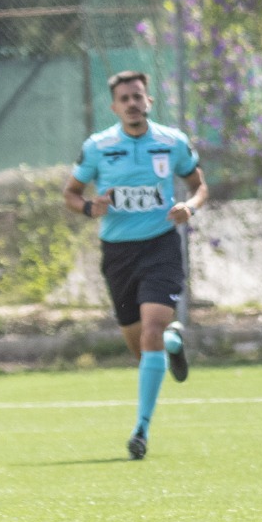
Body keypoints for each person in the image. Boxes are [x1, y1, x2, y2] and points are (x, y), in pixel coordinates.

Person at [63, 71, 207, 460]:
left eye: (137, 96)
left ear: (149, 101)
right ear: (114, 107)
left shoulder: (171, 141)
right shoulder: (98, 147)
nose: (131, 103)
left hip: (160, 246)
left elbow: (199, 184)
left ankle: (140, 430)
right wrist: (92, 207)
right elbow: (72, 194)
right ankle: (174, 343)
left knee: (151, 331)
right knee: (142, 348)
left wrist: (189, 207)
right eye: (124, 98)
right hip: (118, 254)